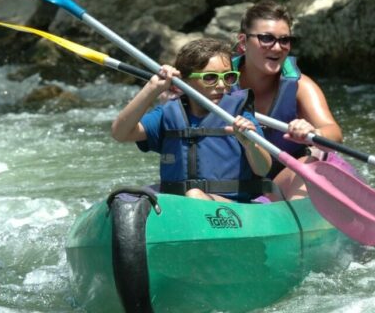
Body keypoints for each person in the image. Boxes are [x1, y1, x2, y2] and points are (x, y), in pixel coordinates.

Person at [111, 38, 272, 202]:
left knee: (194, 195)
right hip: (182, 205)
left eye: (229, 77)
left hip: (231, 206)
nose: (222, 85)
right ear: (185, 81)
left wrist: (250, 144)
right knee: (124, 199)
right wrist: (152, 89)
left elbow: (263, 169)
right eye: (210, 77)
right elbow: (120, 133)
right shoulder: (168, 114)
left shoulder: (239, 115)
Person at [233, 0, 343, 200]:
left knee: (313, 160)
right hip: (232, 180)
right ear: (243, 42)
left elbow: (333, 132)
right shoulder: (216, 82)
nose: (277, 48)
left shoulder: (301, 86)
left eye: (284, 40)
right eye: (266, 38)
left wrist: (314, 132)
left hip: (284, 178)